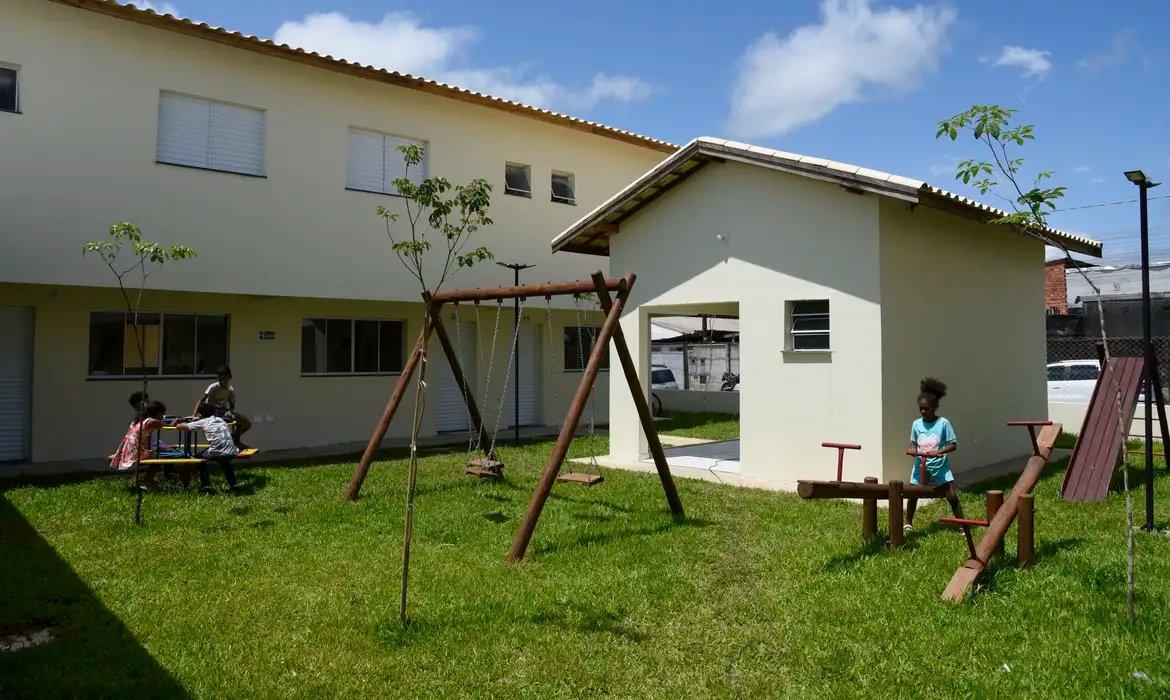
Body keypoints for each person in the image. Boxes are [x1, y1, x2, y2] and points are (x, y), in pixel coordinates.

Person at [905, 377, 966, 529]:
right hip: (920, 467)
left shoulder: (943, 423)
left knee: (952, 496)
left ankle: (962, 525)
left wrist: (939, 452)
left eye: (927, 408)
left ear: (934, 407)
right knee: (913, 494)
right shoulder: (916, 424)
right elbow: (913, 443)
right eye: (921, 408)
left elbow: (953, 445)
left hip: (939, 467)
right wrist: (913, 450)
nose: (924, 411)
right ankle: (908, 522)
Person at [174, 403, 240, 493]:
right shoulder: (220, 420)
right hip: (232, 451)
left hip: (217, 451)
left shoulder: (203, 422)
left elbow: (181, 427)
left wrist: (179, 422)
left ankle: (206, 485)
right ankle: (233, 484)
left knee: (198, 458)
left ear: (200, 414)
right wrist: (199, 419)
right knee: (225, 462)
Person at [110, 400, 168, 486]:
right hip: (136, 452)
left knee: (158, 454)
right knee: (160, 459)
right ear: (157, 413)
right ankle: (147, 480)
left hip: (129, 450)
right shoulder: (153, 421)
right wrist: (177, 421)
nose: (163, 416)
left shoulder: (143, 420)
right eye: (163, 413)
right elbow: (167, 426)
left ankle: (146, 480)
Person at [193, 365, 251, 448]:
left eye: (223, 379)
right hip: (211, 410)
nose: (221, 381)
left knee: (246, 422)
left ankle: (235, 439)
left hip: (222, 410)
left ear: (228, 378)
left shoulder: (230, 390)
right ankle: (225, 443)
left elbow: (232, 405)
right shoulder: (213, 387)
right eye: (219, 379)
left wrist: (230, 411)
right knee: (218, 425)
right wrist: (194, 414)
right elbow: (201, 400)